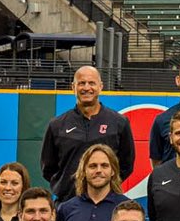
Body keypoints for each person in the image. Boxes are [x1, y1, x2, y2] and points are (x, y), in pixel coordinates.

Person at [40, 66, 134, 195]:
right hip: (68, 200)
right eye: (81, 83)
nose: (86, 88)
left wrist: (104, 187)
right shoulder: (57, 125)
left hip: (106, 201)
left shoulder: (119, 122)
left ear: (100, 86)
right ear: (73, 87)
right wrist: (67, 187)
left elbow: (126, 165)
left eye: (92, 83)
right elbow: (48, 168)